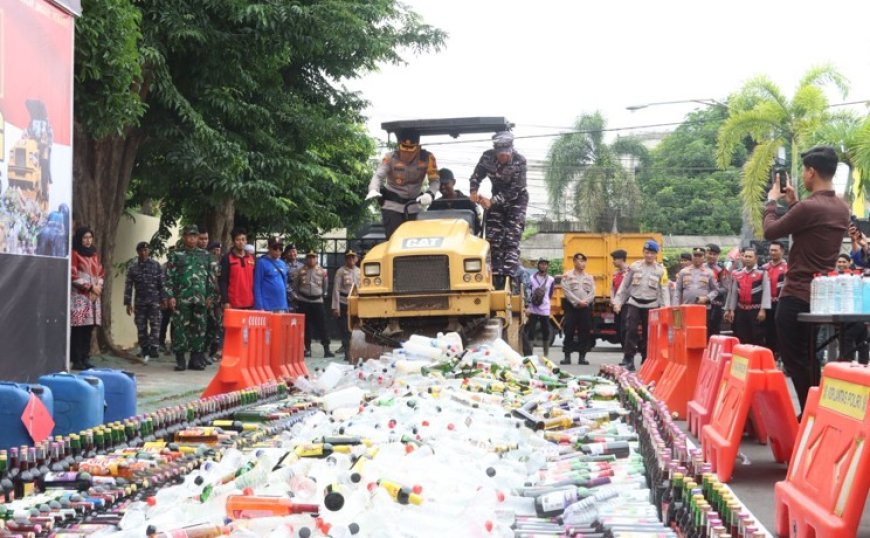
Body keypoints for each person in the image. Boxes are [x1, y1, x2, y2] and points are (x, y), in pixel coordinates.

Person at [763, 146, 850, 411]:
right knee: (810, 356)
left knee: (795, 358)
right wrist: (793, 203)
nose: (802, 174)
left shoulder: (810, 207)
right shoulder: (841, 208)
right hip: (822, 295)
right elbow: (811, 225)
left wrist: (771, 202)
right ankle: (814, 408)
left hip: (797, 293)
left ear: (811, 171)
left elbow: (770, 231)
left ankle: (811, 410)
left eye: (804, 169)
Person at [469, 131, 528, 289]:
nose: (503, 158)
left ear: (511, 150)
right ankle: (496, 276)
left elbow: (515, 190)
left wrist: (492, 201)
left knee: (511, 238)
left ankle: (509, 277)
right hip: (496, 201)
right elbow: (476, 176)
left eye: (506, 154)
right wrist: (473, 192)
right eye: (500, 154)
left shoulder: (520, 161)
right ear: (495, 151)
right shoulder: (487, 157)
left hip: (517, 201)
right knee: (494, 238)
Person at [366, 129, 440, 239]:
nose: (407, 152)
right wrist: (373, 189)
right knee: (394, 240)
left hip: (414, 206)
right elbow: (378, 176)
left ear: (418, 147)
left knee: (414, 241)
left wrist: (430, 194)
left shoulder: (428, 158)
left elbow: (435, 180)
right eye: (404, 148)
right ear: (399, 145)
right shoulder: (389, 158)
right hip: (392, 206)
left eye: (411, 148)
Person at [164, 225, 215, 371]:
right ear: (184, 237)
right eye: (189, 236)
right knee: (180, 328)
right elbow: (169, 277)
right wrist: (170, 296)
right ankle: (180, 359)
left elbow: (210, 278)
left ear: (198, 237)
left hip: (200, 298)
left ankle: (196, 359)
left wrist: (210, 296)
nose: (192, 238)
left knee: (199, 328)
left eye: (194, 236)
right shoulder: (176, 255)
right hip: (182, 299)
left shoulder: (206, 256)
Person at [613, 240, 670, 371]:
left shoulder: (661, 270)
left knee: (648, 334)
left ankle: (646, 358)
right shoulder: (635, 267)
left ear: (656, 254)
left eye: (652, 253)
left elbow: (664, 290)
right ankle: (628, 359)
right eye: (647, 252)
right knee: (630, 330)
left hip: (651, 305)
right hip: (634, 303)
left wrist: (665, 308)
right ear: (643, 252)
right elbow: (625, 285)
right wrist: (618, 302)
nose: (649, 255)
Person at [70, 227, 104, 370]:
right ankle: (77, 359)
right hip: (80, 297)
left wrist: (98, 288)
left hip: (93, 297)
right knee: (79, 329)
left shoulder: (94, 254)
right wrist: (90, 287)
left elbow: (101, 273)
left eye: (90, 237)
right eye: (85, 237)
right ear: (79, 238)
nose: (88, 240)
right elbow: (73, 276)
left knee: (89, 329)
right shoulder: (75, 253)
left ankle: (85, 357)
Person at [123, 241, 164, 360]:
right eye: (141, 250)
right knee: (141, 326)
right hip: (140, 302)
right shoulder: (133, 268)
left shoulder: (156, 266)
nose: (143, 253)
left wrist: (163, 299)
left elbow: (162, 284)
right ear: (138, 252)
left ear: (149, 251)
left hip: (154, 301)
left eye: (146, 250)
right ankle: (144, 348)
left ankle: (154, 348)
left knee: (155, 325)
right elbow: (129, 286)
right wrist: (127, 303)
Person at [724, 247, 771, 346]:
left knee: (757, 336)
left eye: (750, 257)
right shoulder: (737, 273)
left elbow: (766, 292)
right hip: (741, 310)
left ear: (756, 258)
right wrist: (731, 310)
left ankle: (758, 359)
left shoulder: (762, 272)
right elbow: (733, 293)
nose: (747, 259)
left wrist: (763, 310)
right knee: (741, 336)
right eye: (745, 256)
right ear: (742, 257)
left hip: (756, 311)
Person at [294, 250, 334, 358]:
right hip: (304, 301)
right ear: (306, 258)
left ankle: (326, 349)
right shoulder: (300, 271)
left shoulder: (322, 271)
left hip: (317, 301)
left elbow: (325, 286)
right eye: (309, 257)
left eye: (313, 257)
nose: (311, 260)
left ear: (316, 259)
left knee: (323, 326)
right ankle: (307, 349)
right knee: (306, 326)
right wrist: (299, 296)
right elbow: (296, 286)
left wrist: (320, 294)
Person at [560, 253, 594, 366]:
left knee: (584, 332)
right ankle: (567, 356)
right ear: (574, 262)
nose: (582, 263)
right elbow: (566, 291)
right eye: (579, 261)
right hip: (572, 307)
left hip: (585, 308)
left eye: (584, 261)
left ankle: (582, 357)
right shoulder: (567, 276)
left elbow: (593, 292)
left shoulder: (589, 277)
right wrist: (578, 302)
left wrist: (585, 302)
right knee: (569, 331)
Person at [332, 250, 360, 362]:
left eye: (353, 257)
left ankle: (357, 351)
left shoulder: (360, 271)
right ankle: (347, 351)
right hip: (344, 302)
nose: (351, 260)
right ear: (345, 259)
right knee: (345, 328)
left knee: (357, 328)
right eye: (349, 258)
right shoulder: (341, 271)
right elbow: (336, 289)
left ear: (356, 259)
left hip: (357, 303)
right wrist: (336, 306)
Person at [762, 240, 788, 358]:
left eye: (775, 250)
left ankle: (782, 355)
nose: (772, 253)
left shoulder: (788, 267)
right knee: (768, 330)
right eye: (771, 250)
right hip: (766, 304)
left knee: (781, 330)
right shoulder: (764, 268)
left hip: (781, 303)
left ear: (782, 251)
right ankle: (770, 356)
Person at [526, 258, 556, 357]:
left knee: (546, 330)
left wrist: (545, 300)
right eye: (541, 264)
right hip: (533, 308)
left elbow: (551, 293)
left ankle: (545, 354)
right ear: (538, 266)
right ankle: (530, 353)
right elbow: (528, 292)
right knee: (531, 330)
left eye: (545, 264)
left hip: (545, 308)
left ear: (547, 266)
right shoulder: (531, 278)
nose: (543, 266)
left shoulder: (551, 279)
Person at [219, 228, 255, 310]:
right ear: (233, 242)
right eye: (238, 240)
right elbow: (223, 281)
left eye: (243, 239)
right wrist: (225, 301)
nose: (241, 242)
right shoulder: (227, 258)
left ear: (246, 241)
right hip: (233, 303)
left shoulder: (251, 258)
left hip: (250, 303)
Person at [253, 236, 290, 312]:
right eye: (275, 248)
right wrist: (260, 306)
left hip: (281, 305)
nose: (278, 251)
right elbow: (257, 285)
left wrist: (286, 305)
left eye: (280, 248)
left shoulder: (283, 264)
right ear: (269, 248)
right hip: (267, 306)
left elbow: (284, 284)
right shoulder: (262, 262)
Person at [705, 244, 729, 336]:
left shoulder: (721, 269)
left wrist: (713, 292)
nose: (711, 256)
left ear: (718, 256)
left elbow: (726, 288)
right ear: (706, 254)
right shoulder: (701, 267)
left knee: (714, 331)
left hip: (716, 305)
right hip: (702, 304)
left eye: (714, 254)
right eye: (709, 253)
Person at [205, 241, 223, 362]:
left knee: (216, 324)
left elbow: (219, 280)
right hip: (208, 298)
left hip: (217, 299)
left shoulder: (218, 263)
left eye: (219, 249)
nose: (217, 251)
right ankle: (207, 352)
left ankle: (212, 351)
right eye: (215, 249)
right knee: (209, 324)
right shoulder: (208, 261)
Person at [610, 250, 629, 349]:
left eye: (615, 259)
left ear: (622, 259)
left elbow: (628, 291)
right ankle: (624, 349)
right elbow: (612, 288)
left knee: (625, 328)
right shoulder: (616, 273)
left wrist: (620, 303)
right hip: (617, 305)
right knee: (618, 328)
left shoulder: (629, 272)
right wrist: (613, 302)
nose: (613, 261)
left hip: (626, 304)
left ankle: (627, 352)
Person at [158, 246, 175, 353]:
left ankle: (174, 344)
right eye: (170, 253)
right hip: (164, 300)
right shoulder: (163, 268)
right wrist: (163, 299)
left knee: (175, 323)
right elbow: (160, 285)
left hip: (175, 300)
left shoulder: (179, 268)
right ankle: (161, 343)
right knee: (163, 322)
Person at [282, 243, 304, 311]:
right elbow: (283, 282)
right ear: (285, 254)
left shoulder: (302, 266)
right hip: (286, 298)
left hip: (300, 299)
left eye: (294, 251)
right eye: (290, 252)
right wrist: (292, 295)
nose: (292, 254)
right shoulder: (282, 265)